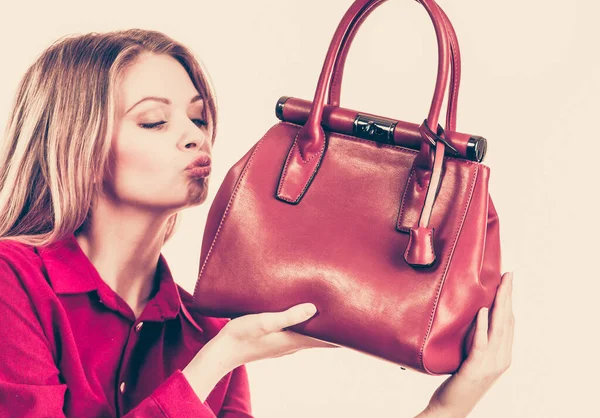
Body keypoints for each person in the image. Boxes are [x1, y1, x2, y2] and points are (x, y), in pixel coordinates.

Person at [0, 29, 514, 418]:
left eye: (199, 118)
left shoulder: (204, 324)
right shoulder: (12, 282)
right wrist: (214, 363)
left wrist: (449, 406)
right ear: (76, 141)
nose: (194, 137)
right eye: (154, 121)